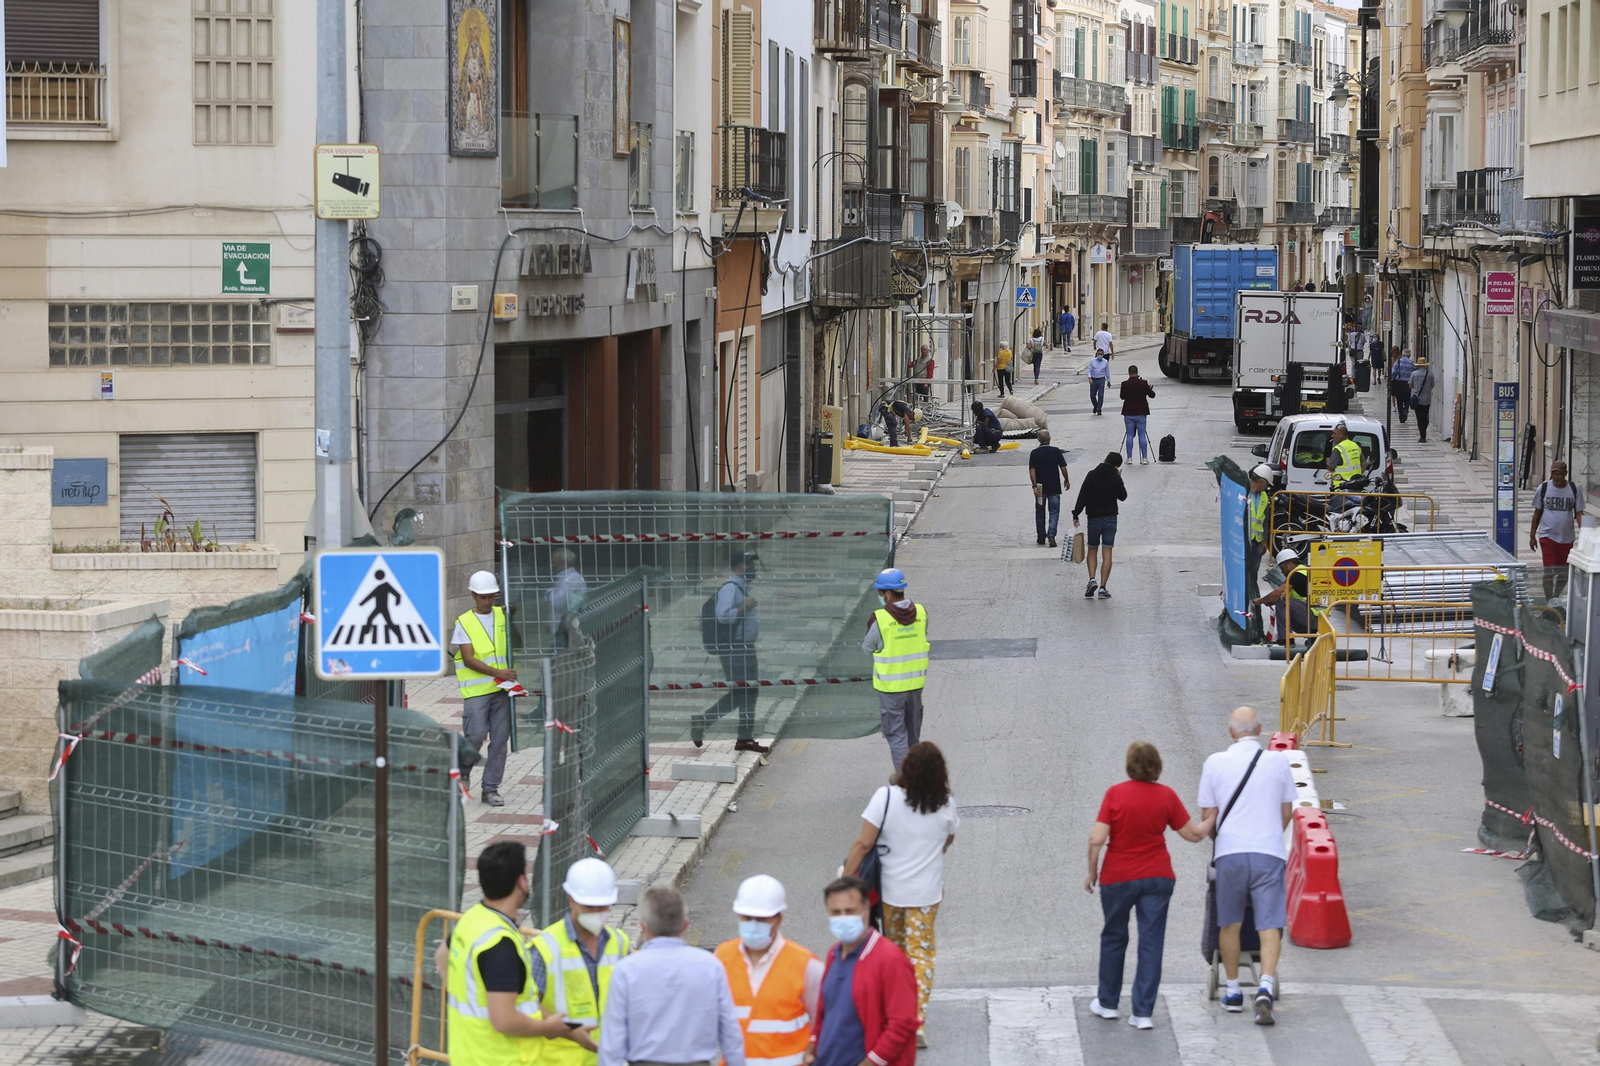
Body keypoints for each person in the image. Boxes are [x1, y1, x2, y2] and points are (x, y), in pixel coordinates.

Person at [1084, 742, 1215, 1030]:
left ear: (1129, 764)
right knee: (1151, 942)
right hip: (1157, 877)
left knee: (1114, 937)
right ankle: (1142, 1012)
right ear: (1157, 766)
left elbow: (1096, 839)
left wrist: (1092, 872)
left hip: (1118, 877)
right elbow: (1193, 835)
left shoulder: (1115, 794)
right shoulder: (1166, 796)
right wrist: (1212, 818)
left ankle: (1107, 1004)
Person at [842, 743, 958, 1049]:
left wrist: (845, 882)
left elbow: (863, 844)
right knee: (921, 954)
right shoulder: (945, 803)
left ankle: (894, 1015)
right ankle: (915, 1021)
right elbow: (948, 839)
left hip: (891, 893)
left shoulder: (886, 797)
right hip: (927, 894)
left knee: (893, 953)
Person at [444, 842, 594, 1066]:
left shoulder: (472, 919)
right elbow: (504, 1021)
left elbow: (441, 957)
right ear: (521, 882)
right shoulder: (500, 946)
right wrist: (548, 1028)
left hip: (468, 1055)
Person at [1198, 707, 1298, 1026]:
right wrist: (1268, 834)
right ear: (1261, 730)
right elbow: (1287, 812)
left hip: (1231, 853)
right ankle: (1265, 985)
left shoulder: (1215, 763)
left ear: (1231, 732)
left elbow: (1208, 818)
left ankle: (1232, 990)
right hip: (1268, 852)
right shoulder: (1279, 762)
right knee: (1269, 923)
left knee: (1230, 922)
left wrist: (1224, 837)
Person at [598, 885, 746, 1066]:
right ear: (685, 925)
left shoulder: (626, 971)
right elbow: (731, 1035)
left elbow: (611, 1044)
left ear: (643, 928)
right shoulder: (710, 966)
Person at [808, 877, 919, 1066]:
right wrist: (812, 1046)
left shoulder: (890, 960)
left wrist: (870, 1063)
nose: (843, 918)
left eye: (850, 911)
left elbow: (903, 1023)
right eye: (836, 912)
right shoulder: (834, 954)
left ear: (866, 910)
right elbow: (825, 1011)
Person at [714, 875, 823, 1066]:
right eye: (747, 918)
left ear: (778, 920)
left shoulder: (806, 965)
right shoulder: (722, 957)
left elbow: (824, 1021)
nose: (753, 924)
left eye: (762, 919)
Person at [531, 859, 630, 1066]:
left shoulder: (619, 943)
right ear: (571, 900)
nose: (596, 912)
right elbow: (526, 1004)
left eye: (602, 906)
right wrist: (569, 1031)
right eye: (589, 906)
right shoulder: (545, 948)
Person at [693, 551, 771, 754]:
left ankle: (744, 738)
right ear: (738, 567)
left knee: (748, 692)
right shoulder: (731, 589)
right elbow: (723, 617)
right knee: (743, 692)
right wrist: (744, 606)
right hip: (735, 649)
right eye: (747, 564)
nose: (751, 568)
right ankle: (704, 721)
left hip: (744, 648)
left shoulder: (741, 588)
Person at [453, 570, 515, 806]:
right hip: (478, 692)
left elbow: (514, 644)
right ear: (473, 595)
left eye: (491, 596)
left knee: (500, 741)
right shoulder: (464, 622)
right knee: (476, 735)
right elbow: (468, 659)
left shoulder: (503, 615)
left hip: (503, 690)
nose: (488, 601)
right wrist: (498, 673)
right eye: (483, 597)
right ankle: (464, 770)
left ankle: (490, 789)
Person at [861, 568, 929, 770]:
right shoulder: (922, 612)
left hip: (891, 690)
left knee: (897, 736)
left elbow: (867, 648)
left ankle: (905, 784)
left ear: (888, 594)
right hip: (915, 686)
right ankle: (916, 781)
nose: (880, 597)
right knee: (912, 736)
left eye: (880, 593)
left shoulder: (879, 619)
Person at [1073, 452, 1128, 599]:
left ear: (1105, 460)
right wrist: (1119, 479)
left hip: (1094, 518)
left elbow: (1083, 495)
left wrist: (1076, 513)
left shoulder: (1092, 475)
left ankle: (1092, 579)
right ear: (1116, 466)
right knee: (1107, 551)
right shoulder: (1115, 477)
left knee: (1092, 549)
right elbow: (1123, 496)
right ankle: (1103, 588)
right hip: (1110, 518)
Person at [1530, 460, 1586, 599]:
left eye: (1559, 474)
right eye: (1553, 474)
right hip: (1547, 536)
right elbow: (1536, 513)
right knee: (1549, 571)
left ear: (1565, 474)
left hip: (1566, 537)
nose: (1556, 477)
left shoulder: (1574, 489)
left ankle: (1556, 596)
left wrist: (1585, 534)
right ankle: (1549, 600)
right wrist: (1532, 537)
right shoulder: (1543, 488)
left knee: (1564, 572)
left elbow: (1579, 513)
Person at [1252, 548, 1313, 644]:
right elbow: (1299, 597)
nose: (1282, 572)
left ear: (1288, 564)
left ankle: (1285, 639)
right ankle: (1312, 637)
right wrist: (1273, 602)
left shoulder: (1296, 575)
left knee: (1282, 603)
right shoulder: (1304, 570)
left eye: (1282, 568)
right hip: (1318, 617)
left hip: (1311, 615)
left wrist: (1260, 601)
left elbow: (1278, 592)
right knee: (1283, 604)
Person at [1029, 430, 1071, 547]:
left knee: (1040, 512)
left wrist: (1034, 486)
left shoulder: (1034, 453)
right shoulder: (1056, 451)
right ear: (1050, 439)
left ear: (1038, 440)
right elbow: (1063, 468)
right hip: (1054, 487)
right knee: (1054, 512)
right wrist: (1066, 480)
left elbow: (1032, 470)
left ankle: (1041, 536)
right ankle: (1051, 535)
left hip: (1040, 488)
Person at [1325, 419, 1366, 511]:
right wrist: (1358, 475)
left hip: (1341, 488)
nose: (1332, 436)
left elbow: (1330, 468)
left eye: (1334, 434)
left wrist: (1328, 461)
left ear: (1341, 435)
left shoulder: (1338, 449)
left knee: (1336, 513)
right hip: (1356, 486)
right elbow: (1363, 463)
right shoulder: (1355, 445)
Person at [547, 549, 589, 638]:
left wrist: (548, 594)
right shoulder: (572, 577)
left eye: (553, 558)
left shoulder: (568, 579)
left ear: (562, 561)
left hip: (566, 627)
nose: (551, 560)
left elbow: (559, 602)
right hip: (567, 624)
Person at [1119, 365, 1156, 465]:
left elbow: (1122, 397)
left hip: (1128, 413)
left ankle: (1129, 458)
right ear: (1137, 372)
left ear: (1129, 373)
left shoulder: (1124, 384)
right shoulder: (1143, 383)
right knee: (1142, 435)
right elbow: (1152, 395)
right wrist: (1149, 389)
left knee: (1130, 435)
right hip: (1141, 412)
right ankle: (1144, 458)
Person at [1246, 464, 1273, 588]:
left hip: (1257, 542)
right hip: (1243, 541)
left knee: (1253, 574)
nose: (1267, 487)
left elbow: (1265, 520)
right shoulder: (1243, 494)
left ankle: (1251, 596)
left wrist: (1265, 541)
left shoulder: (1264, 497)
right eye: (1267, 484)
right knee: (1242, 572)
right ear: (1261, 482)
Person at [1409, 356, 1435, 443]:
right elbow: (1432, 385)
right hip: (1427, 399)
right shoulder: (1430, 374)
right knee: (1425, 416)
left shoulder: (1414, 374)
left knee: (1419, 418)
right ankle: (1424, 431)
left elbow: (1410, 385)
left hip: (1417, 400)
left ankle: (1422, 436)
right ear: (1425, 365)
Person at [1389, 348, 1415, 425]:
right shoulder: (1412, 363)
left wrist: (1392, 380)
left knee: (1399, 401)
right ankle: (1406, 410)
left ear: (1402, 354)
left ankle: (1401, 417)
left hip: (1399, 383)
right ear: (1409, 355)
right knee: (1407, 399)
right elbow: (1413, 374)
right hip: (1407, 384)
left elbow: (1393, 372)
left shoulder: (1398, 361)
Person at [1086, 349, 1110, 415]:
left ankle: (1099, 408)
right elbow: (1089, 370)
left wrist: (1108, 380)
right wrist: (1089, 377)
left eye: (1101, 354)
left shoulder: (1105, 362)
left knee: (1101, 395)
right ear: (1097, 354)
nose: (1100, 356)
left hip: (1101, 379)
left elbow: (1107, 372)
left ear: (1103, 355)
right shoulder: (1092, 361)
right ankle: (1095, 406)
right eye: (1098, 354)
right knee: (1092, 395)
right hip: (1093, 380)